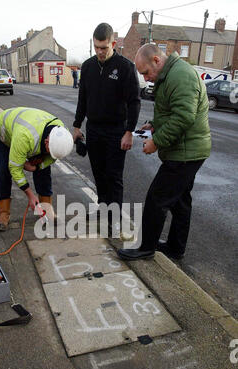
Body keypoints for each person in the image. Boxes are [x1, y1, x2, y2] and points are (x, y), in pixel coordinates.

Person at [118, 44, 211, 261]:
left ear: (157, 61)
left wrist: (156, 142)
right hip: (188, 150)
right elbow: (172, 112)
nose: (146, 78)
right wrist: (153, 125)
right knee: (180, 201)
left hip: (186, 152)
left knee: (157, 198)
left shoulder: (181, 75)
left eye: (146, 72)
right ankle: (175, 248)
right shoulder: (171, 74)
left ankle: (145, 247)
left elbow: (183, 117)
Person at [73, 23, 140, 234]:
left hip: (116, 131)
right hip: (94, 130)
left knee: (114, 177)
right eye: (96, 47)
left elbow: (134, 102)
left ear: (113, 43)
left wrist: (129, 131)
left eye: (104, 47)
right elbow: (82, 98)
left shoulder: (125, 67)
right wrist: (76, 125)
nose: (100, 52)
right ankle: (103, 211)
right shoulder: (88, 66)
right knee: (99, 174)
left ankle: (115, 220)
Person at [0, 107, 74, 231]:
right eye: (50, 151)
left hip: (28, 134)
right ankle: (4, 214)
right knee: (4, 172)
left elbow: (52, 158)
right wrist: (30, 195)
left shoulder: (61, 133)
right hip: (3, 135)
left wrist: (37, 166)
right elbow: (15, 168)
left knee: (44, 171)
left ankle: (47, 208)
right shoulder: (25, 136)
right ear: (47, 141)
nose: (51, 156)